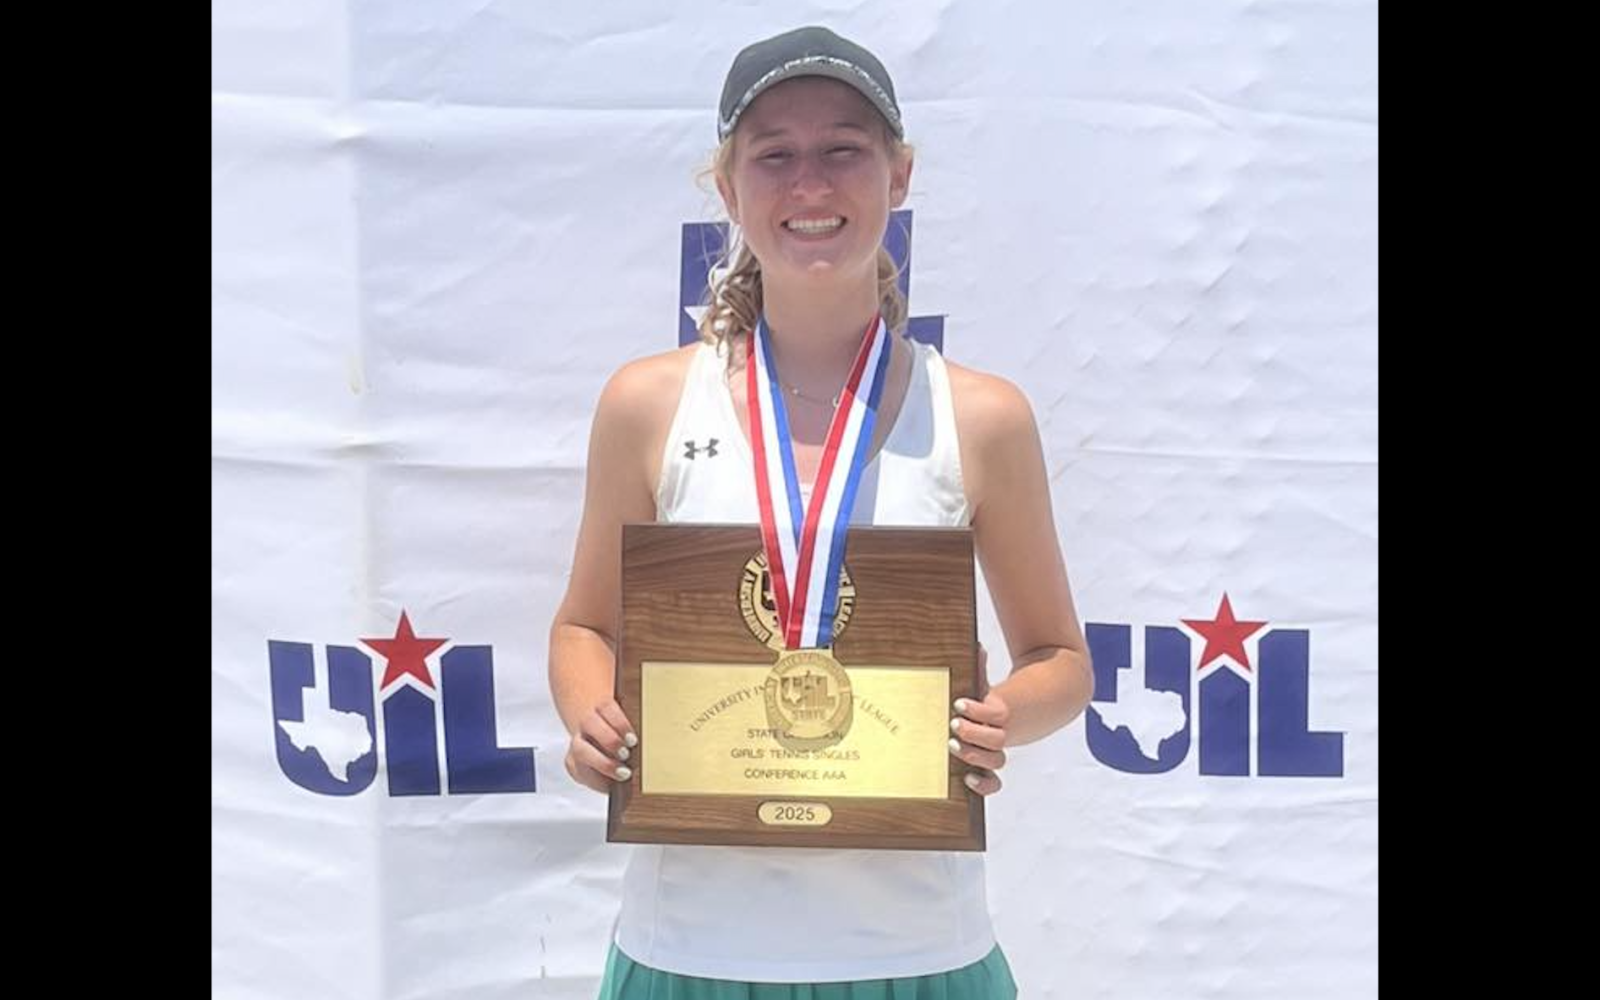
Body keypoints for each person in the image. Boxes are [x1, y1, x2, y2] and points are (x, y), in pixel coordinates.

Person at [549, 25, 1093, 1000]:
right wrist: (590, 713)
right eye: (774, 154)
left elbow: (1060, 659)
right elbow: (582, 626)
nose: (810, 182)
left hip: (917, 949)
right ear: (726, 187)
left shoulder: (981, 415)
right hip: (692, 947)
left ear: (900, 173)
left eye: (844, 148)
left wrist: (996, 716)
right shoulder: (647, 403)